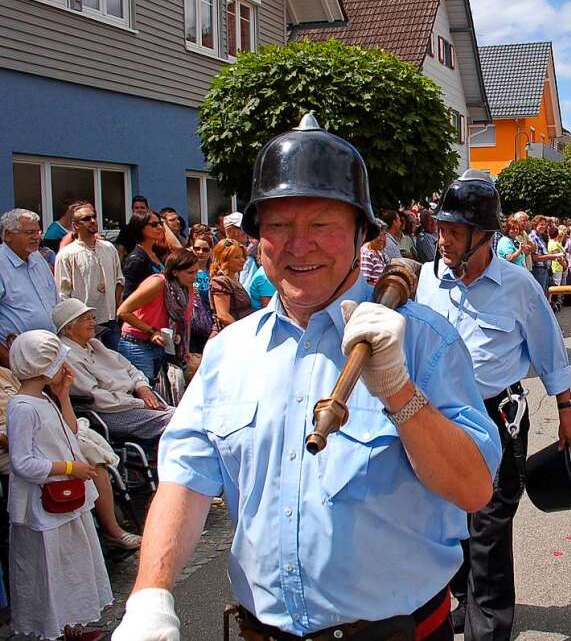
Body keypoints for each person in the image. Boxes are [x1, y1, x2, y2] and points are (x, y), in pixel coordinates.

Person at [112, 114, 501, 641]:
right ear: (255, 237)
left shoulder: (426, 341)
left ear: (362, 233)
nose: (299, 246)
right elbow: (185, 479)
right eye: (278, 226)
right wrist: (150, 597)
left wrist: (398, 390)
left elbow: (474, 489)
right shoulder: (229, 353)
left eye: (322, 225)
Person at [416, 170, 571, 640]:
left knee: (488, 531)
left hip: (497, 419)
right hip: (438, 420)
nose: (442, 239)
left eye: (452, 231)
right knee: (448, 520)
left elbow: (551, 353)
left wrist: (567, 412)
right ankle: (466, 602)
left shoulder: (519, 286)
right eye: (440, 229)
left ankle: (488, 629)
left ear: (483, 236)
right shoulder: (426, 281)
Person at [7, 330, 112, 641]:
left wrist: (64, 395)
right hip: (43, 501)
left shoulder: (43, 399)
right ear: (43, 364)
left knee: (69, 563)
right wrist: (69, 468)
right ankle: (52, 630)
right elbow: (23, 462)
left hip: (65, 496)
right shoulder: (23, 406)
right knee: (47, 568)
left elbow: (70, 430)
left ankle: (70, 625)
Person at [55, 297, 173, 446]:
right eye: (86, 319)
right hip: (109, 413)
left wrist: (142, 387)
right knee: (179, 421)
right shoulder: (68, 356)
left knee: (187, 415)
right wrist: (138, 403)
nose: (93, 323)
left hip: (132, 402)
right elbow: (95, 397)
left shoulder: (94, 344)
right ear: (68, 328)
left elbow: (130, 368)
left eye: (93, 318)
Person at [116, 248, 199, 383]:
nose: (194, 276)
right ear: (175, 272)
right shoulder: (158, 283)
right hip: (137, 344)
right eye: (190, 272)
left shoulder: (187, 286)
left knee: (164, 394)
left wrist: (185, 351)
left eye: (196, 271)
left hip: (165, 347)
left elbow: (186, 321)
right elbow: (123, 311)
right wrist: (152, 332)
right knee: (146, 392)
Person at [54, 203, 125, 351]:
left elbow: (119, 281)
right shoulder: (67, 254)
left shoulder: (109, 248)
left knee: (114, 364)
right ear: (75, 225)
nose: (92, 221)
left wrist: (116, 310)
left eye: (94, 217)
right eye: (86, 219)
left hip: (110, 320)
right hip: (82, 324)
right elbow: (62, 293)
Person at [0, 208, 59, 337]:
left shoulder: (37, 257)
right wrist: (6, 356)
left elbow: (55, 300)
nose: (37, 237)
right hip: (16, 352)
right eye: (30, 232)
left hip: (50, 347)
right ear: (9, 235)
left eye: (38, 232)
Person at [208, 239, 253, 337]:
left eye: (242, 256)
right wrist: (243, 334)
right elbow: (223, 315)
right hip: (227, 337)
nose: (243, 260)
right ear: (224, 259)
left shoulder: (234, 279)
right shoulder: (220, 281)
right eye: (237, 257)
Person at [121, 211, 169, 299]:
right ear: (140, 228)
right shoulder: (135, 260)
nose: (160, 227)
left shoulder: (157, 252)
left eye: (160, 223)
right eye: (154, 225)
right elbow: (129, 296)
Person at [187, 232, 214, 353]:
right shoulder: (186, 270)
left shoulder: (214, 271)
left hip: (209, 321)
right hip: (189, 322)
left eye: (205, 249)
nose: (200, 252)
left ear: (211, 251)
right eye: (197, 248)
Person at [360, 218, 390, 286]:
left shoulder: (379, 253)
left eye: (384, 235)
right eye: (379, 235)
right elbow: (364, 283)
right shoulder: (366, 254)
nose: (382, 239)